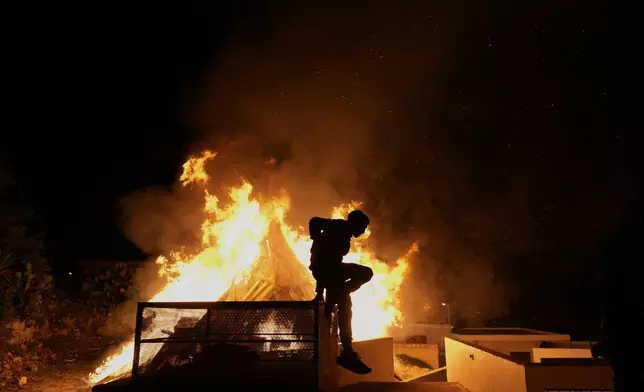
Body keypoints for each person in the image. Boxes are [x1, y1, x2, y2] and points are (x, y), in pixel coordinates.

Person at [308, 209, 374, 375]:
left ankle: (347, 351)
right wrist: (315, 239)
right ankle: (347, 352)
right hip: (329, 272)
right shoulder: (339, 227)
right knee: (365, 275)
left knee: (345, 300)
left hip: (331, 271)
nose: (363, 231)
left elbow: (326, 261)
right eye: (363, 227)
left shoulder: (342, 231)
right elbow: (314, 220)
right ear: (356, 223)